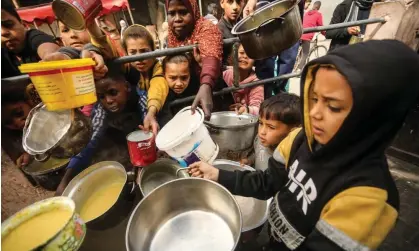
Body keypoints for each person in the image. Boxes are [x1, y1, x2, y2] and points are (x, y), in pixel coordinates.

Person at [188, 40, 419, 250]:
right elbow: (267, 182)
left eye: (334, 107)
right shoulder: (299, 140)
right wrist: (218, 174)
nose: (315, 113)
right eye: (314, 98)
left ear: (374, 117)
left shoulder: (367, 197)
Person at [55, 63, 147, 195]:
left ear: (127, 87)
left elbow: (152, 128)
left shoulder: (142, 98)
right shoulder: (101, 110)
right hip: (121, 138)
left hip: (140, 136)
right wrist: (65, 181)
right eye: (101, 97)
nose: (108, 101)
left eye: (113, 93)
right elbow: (90, 141)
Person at [166, 0, 223, 120]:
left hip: (210, 90)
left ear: (193, 11)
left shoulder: (205, 27)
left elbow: (211, 55)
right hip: (185, 92)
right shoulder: (172, 33)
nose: (177, 19)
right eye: (172, 13)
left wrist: (206, 85)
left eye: (183, 12)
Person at [122, 24, 169, 135]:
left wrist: (151, 112)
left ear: (153, 50)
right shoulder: (128, 68)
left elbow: (158, 85)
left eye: (144, 51)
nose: (139, 58)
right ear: (126, 53)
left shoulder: (158, 67)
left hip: (155, 111)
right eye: (133, 53)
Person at [241, 93, 301, 171]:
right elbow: (258, 154)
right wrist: (249, 160)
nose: (262, 132)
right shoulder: (259, 140)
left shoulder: (288, 159)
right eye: (261, 123)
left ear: (293, 131)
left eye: (271, 127)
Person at [1, 2, 60, 78]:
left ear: (24, 24)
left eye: (8, 24)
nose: (3, 32)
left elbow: (46, 47)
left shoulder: (35, 37)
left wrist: (51, 57)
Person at [158, 53, 199, 126]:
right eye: (173, 78)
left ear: (190, 74)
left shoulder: (195, 85)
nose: (179, 83)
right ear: (164, 75)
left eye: (184, 78)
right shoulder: (162, 93)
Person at [223, 44, 263, 115]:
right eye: (241, 53)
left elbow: (258, 108)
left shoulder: (256, 82)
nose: (245, 56)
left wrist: (246, 109)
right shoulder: (225, 75)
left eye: (250, 55)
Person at [298, 1, 326, 70]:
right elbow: (321, 26)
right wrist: (325, 34)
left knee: (301, 52)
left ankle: (296, 64)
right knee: (305, 53)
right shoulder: (318, 14)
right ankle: (299, 70)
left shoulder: (307, 13)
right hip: (307, 36)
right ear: (319, 7)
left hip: (300, 33)